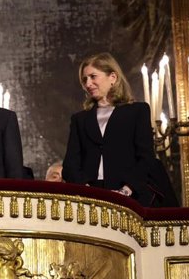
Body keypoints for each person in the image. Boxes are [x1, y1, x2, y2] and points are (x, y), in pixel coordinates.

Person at [62, 52, 154, 205]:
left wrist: (126, 190)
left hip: (130, 195)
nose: (88, 84)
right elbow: (70, 165)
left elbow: (146, 158)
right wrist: (87, 191)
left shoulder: (137, 111)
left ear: (113, 77)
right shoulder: (80, 119)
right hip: (89, 198)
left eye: (93, 76)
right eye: (85, 80)